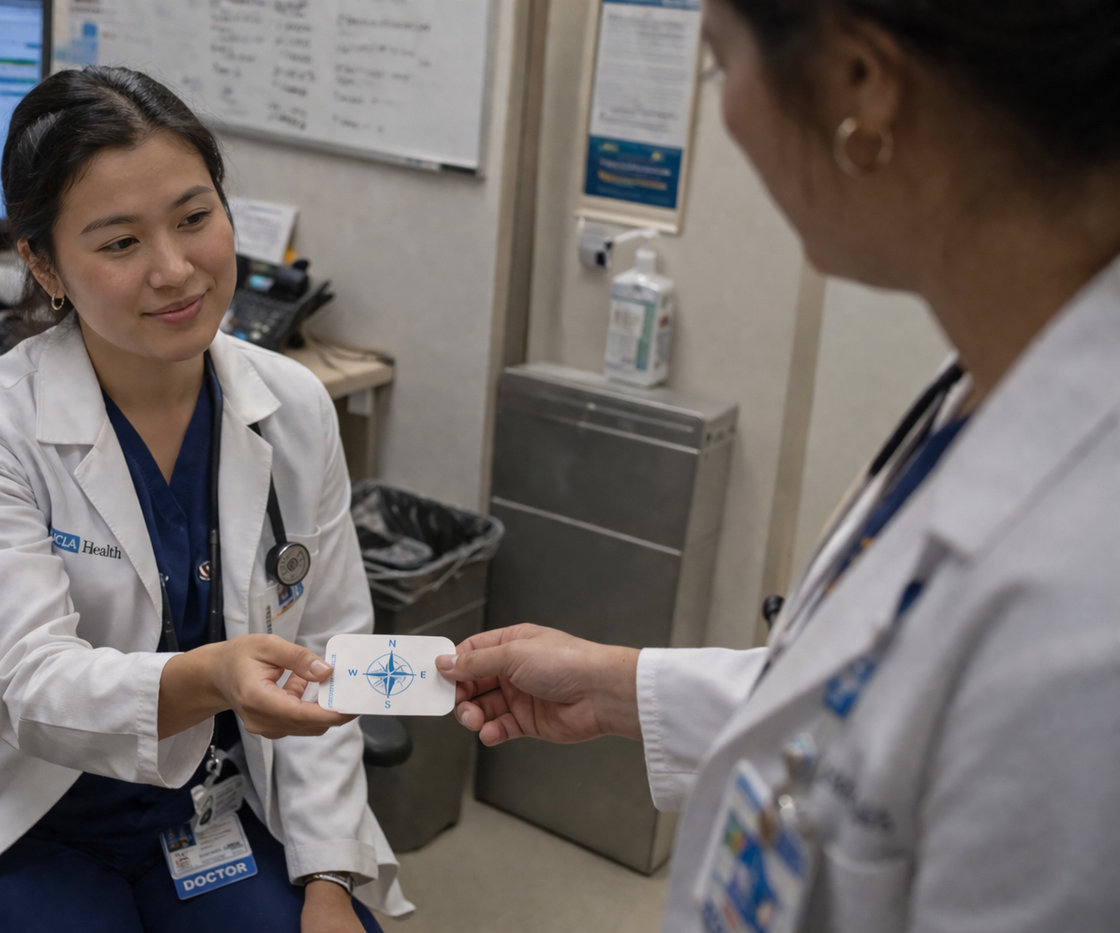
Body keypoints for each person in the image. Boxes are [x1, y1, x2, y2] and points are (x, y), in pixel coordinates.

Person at [441, 0, 1120, 930]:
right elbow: (869, 711)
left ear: (860, 84)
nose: (727, 109)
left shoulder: (1085, 608)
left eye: (720, 62)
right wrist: (620, 683)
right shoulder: (992, 378)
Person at [0, 67, 410, 933]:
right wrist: (210, 676)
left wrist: (326, 877)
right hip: (24, 813)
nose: (175, 270)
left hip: (209, 807)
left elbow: (328, 648)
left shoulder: (292, 406)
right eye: (120, 242)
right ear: (42, 262)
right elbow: (27, 682)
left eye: (194, 217)